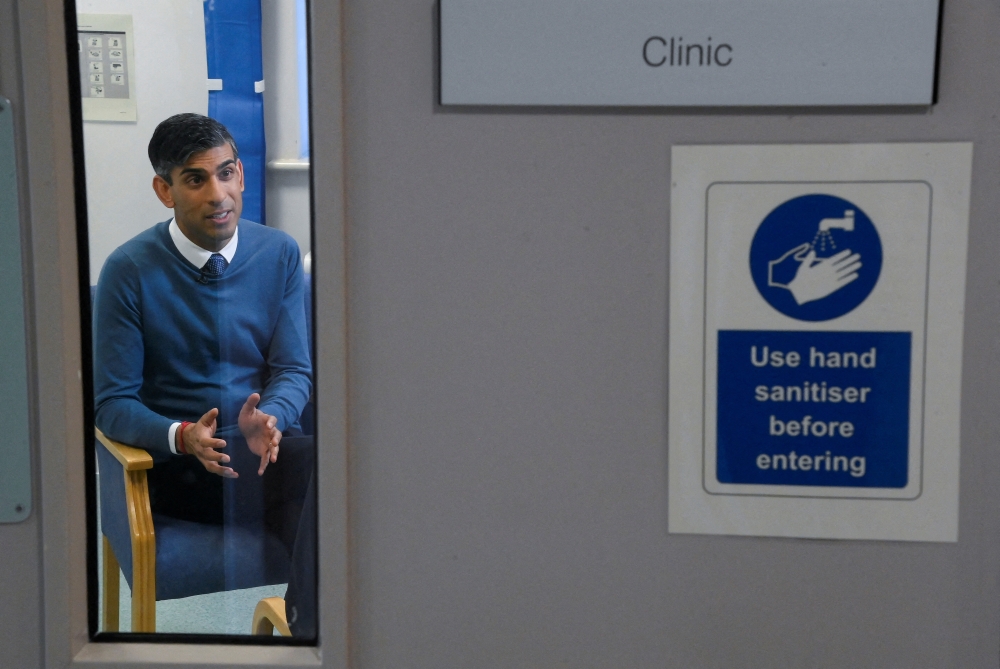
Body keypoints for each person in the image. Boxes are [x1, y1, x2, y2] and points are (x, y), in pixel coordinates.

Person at [93, 113, 315, 631]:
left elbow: (293, 370)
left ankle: (301, 630)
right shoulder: (128, 270)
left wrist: (274, 418)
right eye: (196, 179)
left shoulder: (278, 252)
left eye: (227, 172)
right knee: (319, 502)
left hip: (263, 456)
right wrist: (183, 435)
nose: (219, 194)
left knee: (345, 475)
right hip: (181, 468)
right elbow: (112, 403)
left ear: (241, 174)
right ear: (164, 190)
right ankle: (296, 627)